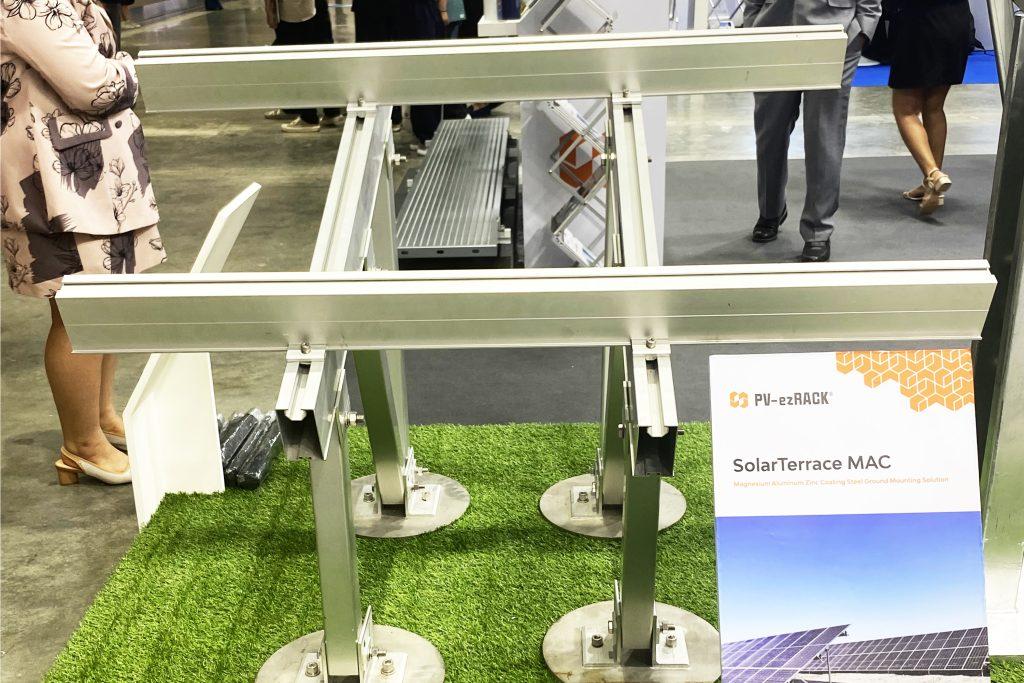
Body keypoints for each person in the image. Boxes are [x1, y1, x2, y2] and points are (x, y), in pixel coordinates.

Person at [1, 0, 167, 485]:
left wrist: (113, 68)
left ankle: (100, 417)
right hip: (56, 180)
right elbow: (94, 86)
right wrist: (130, 68)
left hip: (95, 175)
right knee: (77, 309)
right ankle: (81, 442)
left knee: (103, 305)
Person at [745, 0, 881, 262]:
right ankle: (770, 210)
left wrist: (862, 31)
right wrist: (753, 25)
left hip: (834, 37)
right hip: (774, 36)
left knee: (824, 136)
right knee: (769, 132)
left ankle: (818, 230)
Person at [888, 0, 974, 216]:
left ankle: (933, 174)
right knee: (934, 107)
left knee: (905, 110)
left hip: (920, 24)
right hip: (957, 21)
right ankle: (932, 187)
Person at [263, 0, 344, 133]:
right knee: (320, 53)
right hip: (311, 8)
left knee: (298, 57)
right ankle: (330, 110)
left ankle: (308, 116)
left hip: (299, 10)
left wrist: (269, 8)